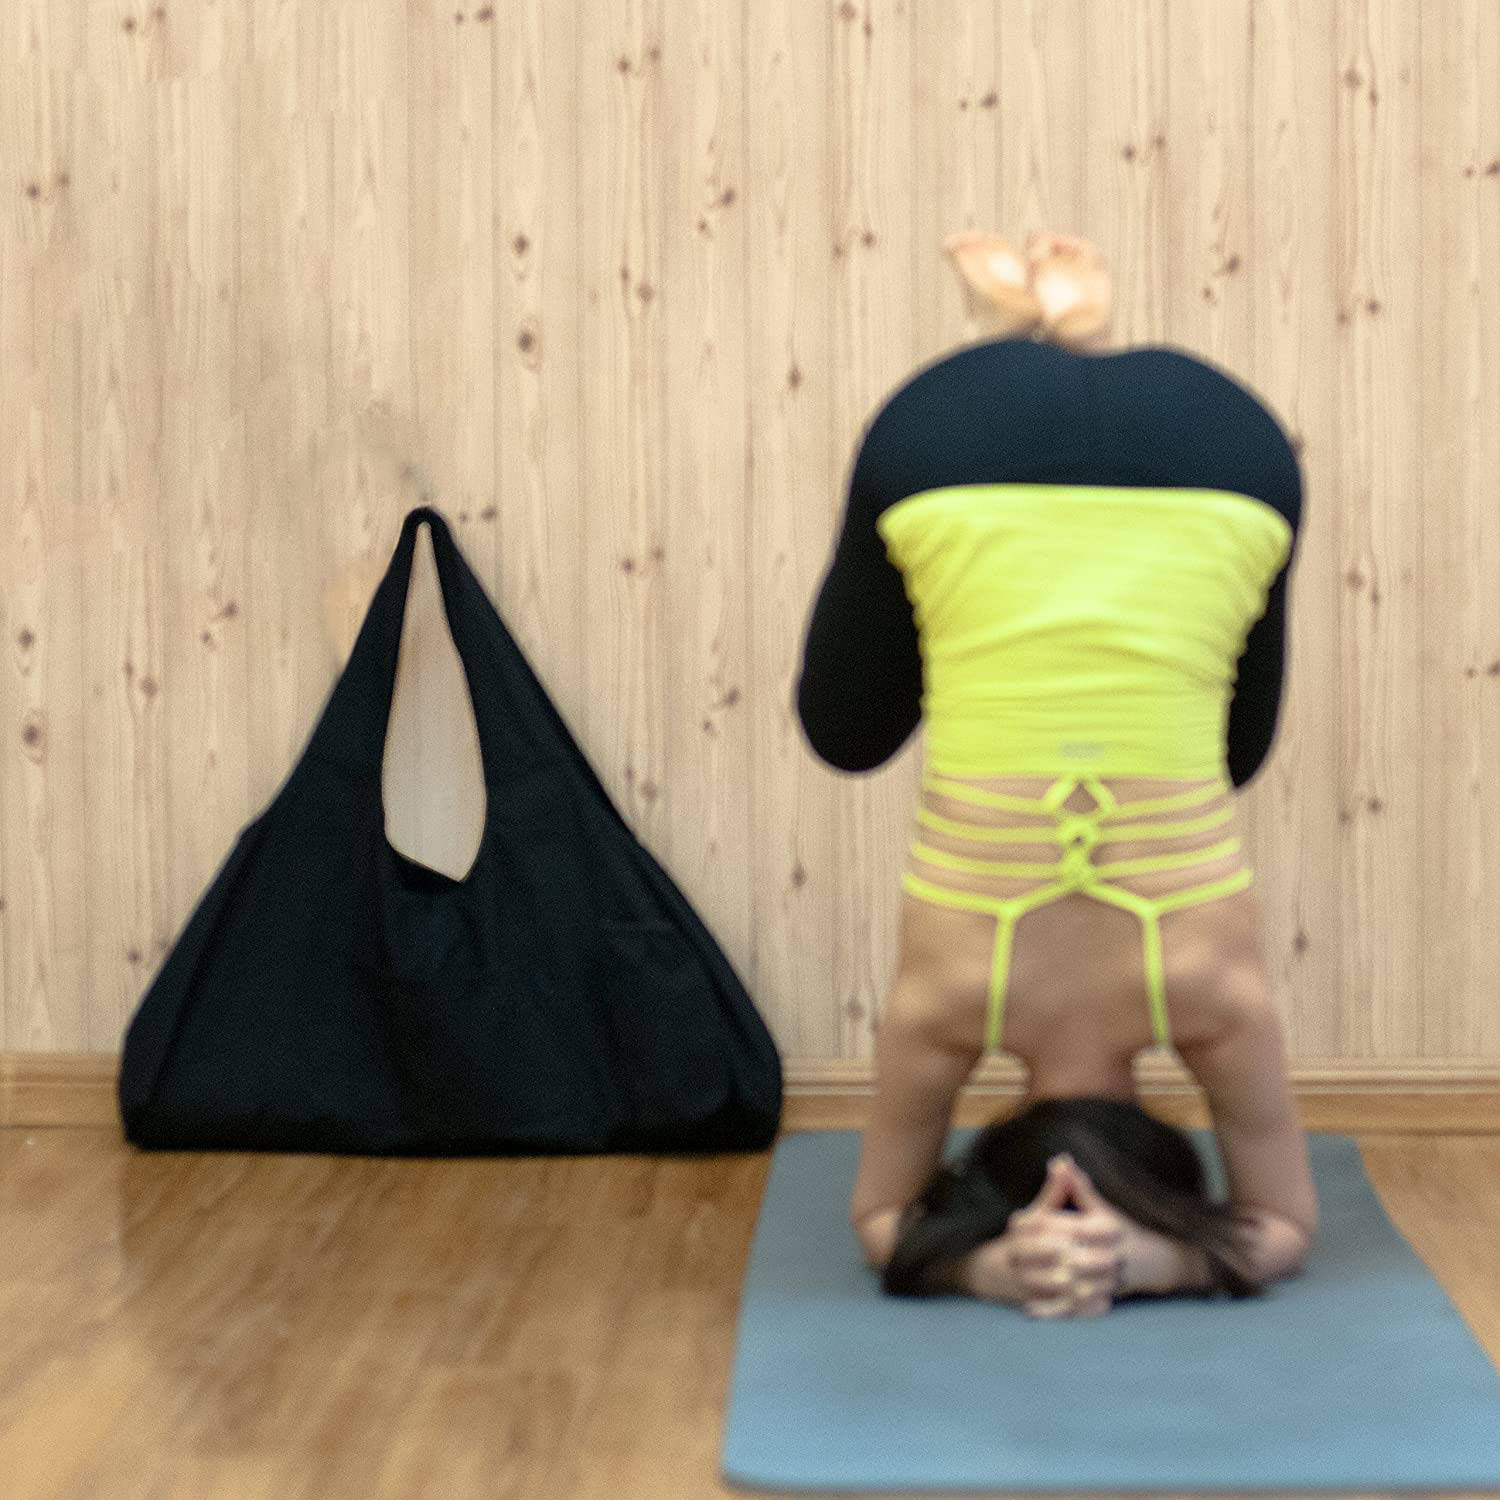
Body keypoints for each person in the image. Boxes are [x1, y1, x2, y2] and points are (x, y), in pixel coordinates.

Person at [796, 230, 1319, 1316]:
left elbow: (1282, 1227)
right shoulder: (946, 1010)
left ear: (1166, 1149)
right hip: (952, 437)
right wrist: (978, 1261)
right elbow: (882, 1220)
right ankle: (1026, 343)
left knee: (1226, 749)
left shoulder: (1215, 1006)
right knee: (850, 732)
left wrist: (1155, 1258)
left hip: (1221, 450)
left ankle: (1043, 340)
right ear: (994, 1139)